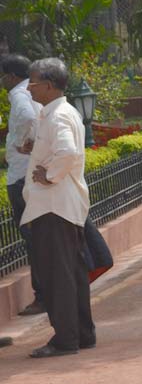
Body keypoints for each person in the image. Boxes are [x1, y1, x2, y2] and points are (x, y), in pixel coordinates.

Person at [20, 58, 95, 358]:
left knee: (57, 275)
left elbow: (67, 152)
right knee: (71, 272)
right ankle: (82, 332)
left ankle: (66, 338)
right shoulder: (56, 112)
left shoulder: (58, 116)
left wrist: (49, 176)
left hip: (53, 207)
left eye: (33, 81)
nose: (29, 86)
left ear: (49, 86)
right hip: (60, 207)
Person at [2, 54, 43, 316]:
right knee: (38, 237)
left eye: (2, 75)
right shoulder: (33, 90)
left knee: (33, 240)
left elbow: (28, 118)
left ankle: (43, 295)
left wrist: (21, 142)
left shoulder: (19, 95)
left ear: (12, 76)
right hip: (30, 173)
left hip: (19, 176)